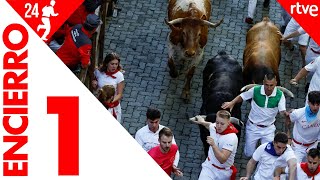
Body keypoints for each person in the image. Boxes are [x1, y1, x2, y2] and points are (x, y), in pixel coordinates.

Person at [222, 73, 287, 157]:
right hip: (253, 127)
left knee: (268, 154)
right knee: (248, 154)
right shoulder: (255, 90)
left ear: (276, 83)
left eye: (271, 85)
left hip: (268, 129)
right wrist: (232, 102)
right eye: (266, 85)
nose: (269, 88)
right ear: (263, 82)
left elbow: (282, 111)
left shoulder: (280, 95)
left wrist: (286, 114)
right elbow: (243, 96)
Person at [190, 110, 238, 180]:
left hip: (223, 172)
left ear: (228, 123)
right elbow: (209, 125)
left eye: (222, 124)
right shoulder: (214, 127)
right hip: (209, 167)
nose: (218, 126)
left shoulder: (231, 137)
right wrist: (202, 121)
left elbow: (222, 159)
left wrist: (213, 145)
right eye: (217, 122)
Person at [285, 91, 320, 162]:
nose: (315, 107)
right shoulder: (298, 113)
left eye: (318, 104)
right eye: (313, 104)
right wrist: (288, 137)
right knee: (294, 168)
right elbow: (288, 119)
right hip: (298, 147)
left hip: (313, 147)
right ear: (308, 102)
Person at [92, 52, 124, 123]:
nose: (114, 66)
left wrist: (109, 101)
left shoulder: (119, 76)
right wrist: (94, 85)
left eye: (116, 64)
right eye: (112, 64)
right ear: (106, 64)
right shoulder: (99, 72)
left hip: (113, 107)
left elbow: (119, 94)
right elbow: (96, 87)